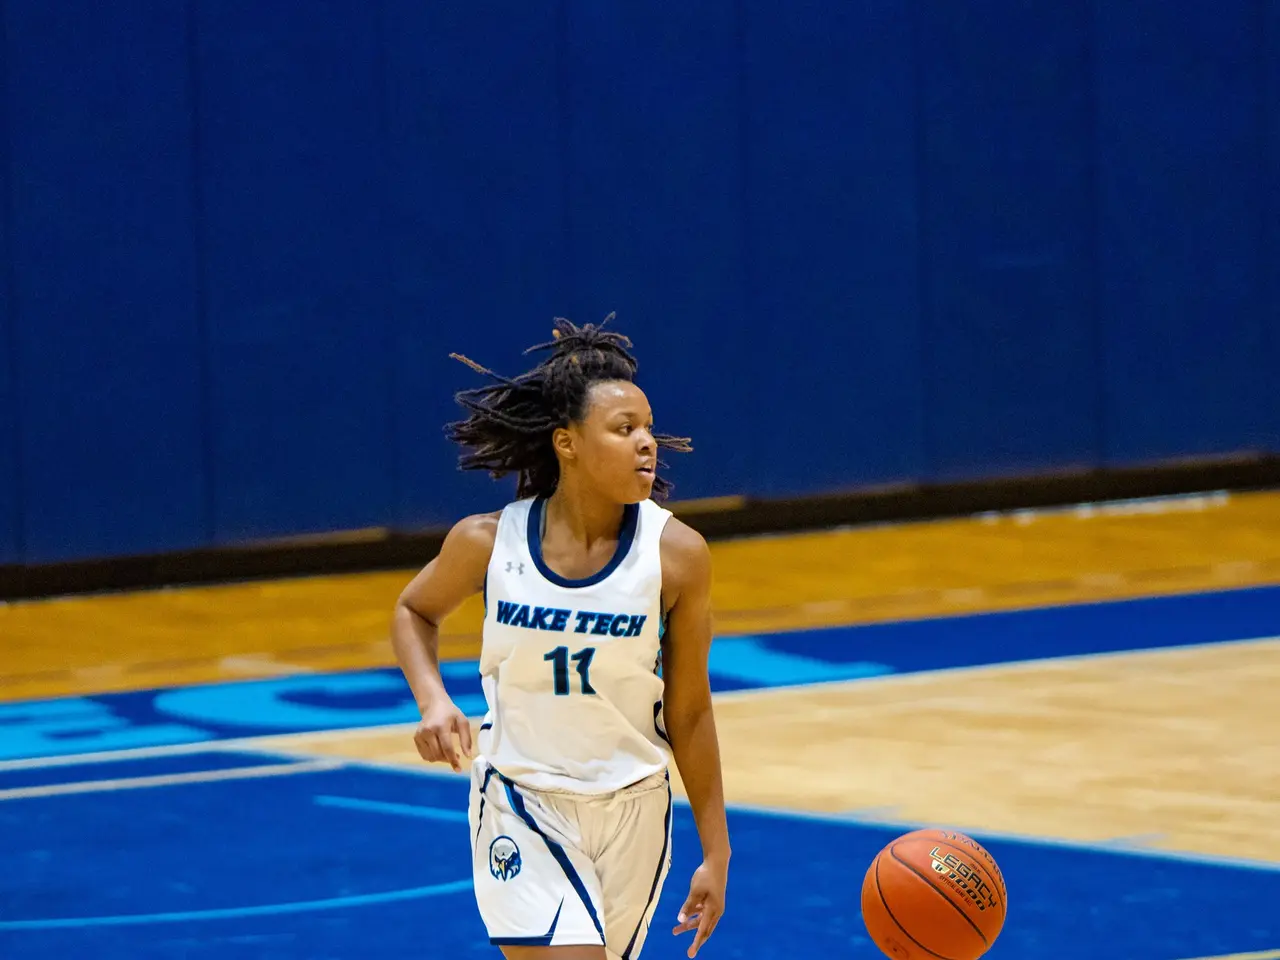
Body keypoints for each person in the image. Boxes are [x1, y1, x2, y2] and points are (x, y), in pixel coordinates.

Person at [391, 316, 730, 960]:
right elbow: (414, 610)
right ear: (567, 443)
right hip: (521, 799)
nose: (646, 443)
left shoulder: (678, 555)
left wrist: (717, 850)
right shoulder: (487, 541)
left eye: (648, 428)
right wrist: (433, 700)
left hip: (634, 808)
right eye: (624, 429)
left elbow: (689, 710)